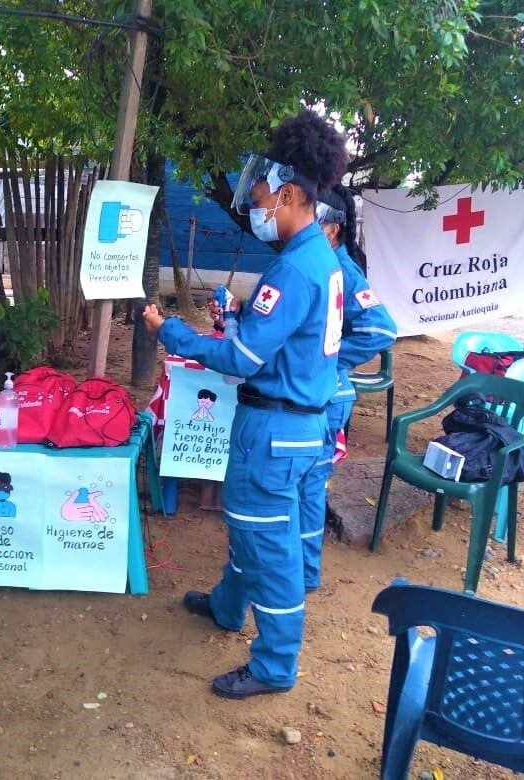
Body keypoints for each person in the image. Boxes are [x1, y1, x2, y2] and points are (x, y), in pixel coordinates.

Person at [142, 110, 348, 699]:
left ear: (288, 194)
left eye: (258, 196)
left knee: (270, 549)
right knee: (253, 527)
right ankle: (229, 607)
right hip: (296, 425)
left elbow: (239, 359)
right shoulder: (321, 260)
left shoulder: (296, 269)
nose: (254, 207)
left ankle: (274, 665)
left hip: (276, 431)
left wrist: (171, 332)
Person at [297, 186, 397, 591]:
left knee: (308, 491)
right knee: (302, 488)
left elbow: (381, 329)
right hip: (316, 395)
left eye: (312, 219)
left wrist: (329, 356)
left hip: (329, 396)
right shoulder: (319, 266)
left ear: (333, 230)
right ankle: (300, 569)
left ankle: (304, 574)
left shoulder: (343, 272)